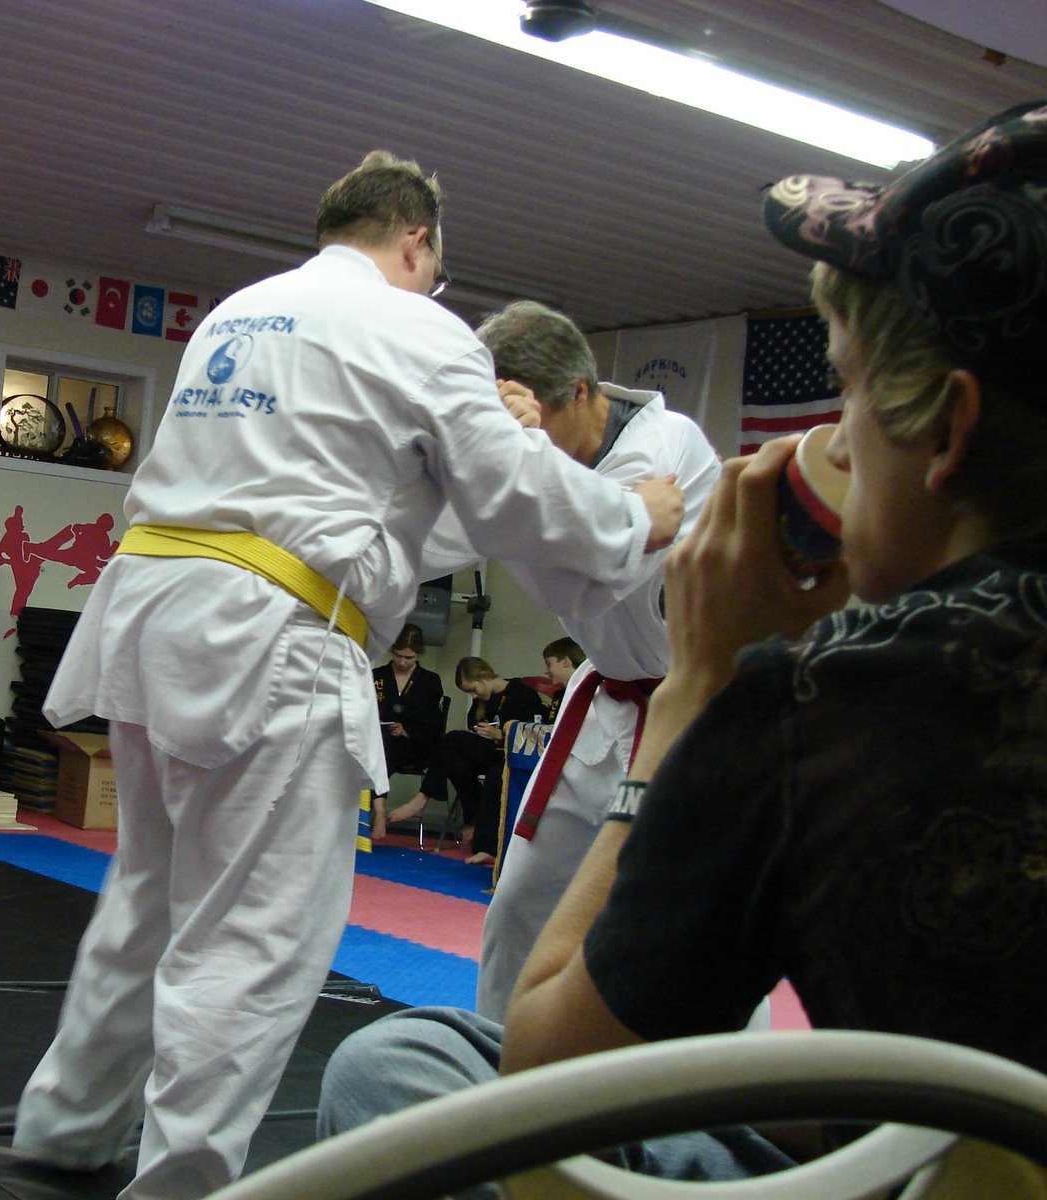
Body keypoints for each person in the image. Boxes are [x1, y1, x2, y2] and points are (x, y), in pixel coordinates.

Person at [320, 98, 1047, 1184]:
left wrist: (703, 690)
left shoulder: (820, 695)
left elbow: (553, 1080)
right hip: (964, 1137)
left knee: (402, 1068)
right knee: (522, 919)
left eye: (847, 390)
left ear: (946, 428)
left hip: (670, 705)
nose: (834, 440)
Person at [9, 149, 684, 1200]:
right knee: (255, 935)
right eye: (437, 268)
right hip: (264, 639)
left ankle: (64, 1132)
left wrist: (498, 464)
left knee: (148, 895)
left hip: (151, 614)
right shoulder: (416, 327)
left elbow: (390, 512)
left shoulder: (238, 313)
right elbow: (512, 497)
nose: (438, 286)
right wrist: (634, 516)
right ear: (417, 240)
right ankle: (180, 1185)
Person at [468, 301, 720, 1006]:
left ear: (579, 392)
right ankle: (496, 1058)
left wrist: (523, 466)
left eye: (536, 422)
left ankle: (724, 1080)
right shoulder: (539, 465)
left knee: (700, 930)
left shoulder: (660, 447)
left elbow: (581, 587)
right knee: (519, 906)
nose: (524, 442)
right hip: (605, 702)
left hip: (693, 716)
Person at [377, 657, 542, 846]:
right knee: (456, 763)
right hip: (489, 752)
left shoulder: (522, 693)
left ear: (483, 677)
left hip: (512, 754)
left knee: (453, 738)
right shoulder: (483, 700)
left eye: (473, 690)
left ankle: (422, 799)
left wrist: (499, 733)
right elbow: (473, 723)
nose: (473, 696)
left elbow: (532, 734)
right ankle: (475, 820)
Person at [373, 622, 444, 784]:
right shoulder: (376, 676)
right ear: (391, 650)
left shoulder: (430, 681)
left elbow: (433, 721)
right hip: (378, 740)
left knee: (382, 752)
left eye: (409, 658)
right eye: (397, 656)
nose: (402, 662)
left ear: (418, 654)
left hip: (414, 745)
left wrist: (406, 730)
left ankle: (376, 798)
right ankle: (376, 798)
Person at [540, 636, 583, 721]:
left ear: (566, 661)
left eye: (549, 664)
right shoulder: (559, 695)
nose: (546, 671)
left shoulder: (593, 691)